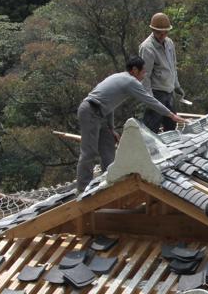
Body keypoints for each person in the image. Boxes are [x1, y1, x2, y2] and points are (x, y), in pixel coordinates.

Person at [76, 56, 186, 193]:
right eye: (143, 71)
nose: (144, 75)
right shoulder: (130, 81)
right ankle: (82, 189)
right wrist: (171, 114)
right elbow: (149, 100)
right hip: (90, 111)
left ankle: (109, 181)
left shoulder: (120, 77)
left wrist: (111, 129)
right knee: (89, 152)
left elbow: (109, 105)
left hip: (101, 113)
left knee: (108, 148)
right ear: (134, 70)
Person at [139, 12, 184, 133]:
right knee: (151, 129)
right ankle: (149, 151)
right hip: (156, 93)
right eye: (159, 32)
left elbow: (173, 66)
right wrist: (149, 98)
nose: (162, 35)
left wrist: (177, 85)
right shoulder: (147, 48)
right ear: (153, 30)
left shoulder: (169, 43)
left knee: (171, 127)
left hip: (169, 92)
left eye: (165, 32)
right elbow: (145, 75)